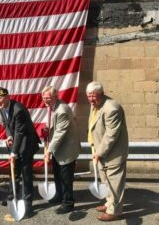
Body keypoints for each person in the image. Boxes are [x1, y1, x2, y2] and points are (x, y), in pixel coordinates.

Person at [0, 87, 40, 218]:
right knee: (14, 171)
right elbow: (6, 123)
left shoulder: (18, 110)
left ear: (8, 97)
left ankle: (28, 204)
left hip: (26, 143)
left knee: (26, 174)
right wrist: (8, 136)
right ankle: (12, 197)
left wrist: (13, 153)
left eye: (1, 98)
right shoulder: (1, 107)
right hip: (15, 141)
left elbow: (20, 133)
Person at [86, 81, 129, 221]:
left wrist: (99, 152)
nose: (91, 99)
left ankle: (115, 212)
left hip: (114, 153)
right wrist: (93, 144)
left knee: (114, 183)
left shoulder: (112, 108)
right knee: (106, 181)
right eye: (89, 96)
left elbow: (111, 135)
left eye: (94, 96)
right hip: (101, 150)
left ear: (102, 94)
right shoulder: (95, 105)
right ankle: (110, 203)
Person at [41, 86, 80, 214]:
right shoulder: (53, 107)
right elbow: (54, 127)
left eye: (48, 98)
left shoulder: (62, 110)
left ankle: (68, 203)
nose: (46, 100)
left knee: (66, 178)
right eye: (44, 97)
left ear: (55, 96)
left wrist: (49, 151)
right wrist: (47, 129)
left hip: (66, 149)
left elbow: (59, 133)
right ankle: (59, 195)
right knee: (57, 175)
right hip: (59, 148)